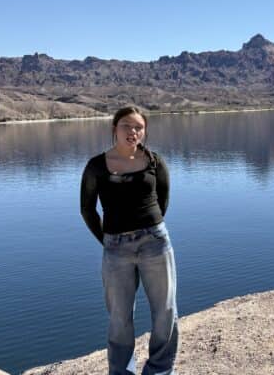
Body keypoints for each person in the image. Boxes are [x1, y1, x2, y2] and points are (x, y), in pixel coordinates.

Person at [80, 106, 179, 375]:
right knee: (119, 318)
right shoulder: (96, 166)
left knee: (165, 310)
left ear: (144, 131)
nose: (133, 131)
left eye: (138, 127)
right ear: (114, 129)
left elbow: (163, 200)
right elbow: (87, 209)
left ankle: (159, 369)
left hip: (155, 243)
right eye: (126, 125)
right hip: (115, 249)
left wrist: (150, 228)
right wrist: (108, 240)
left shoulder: (155, 161)